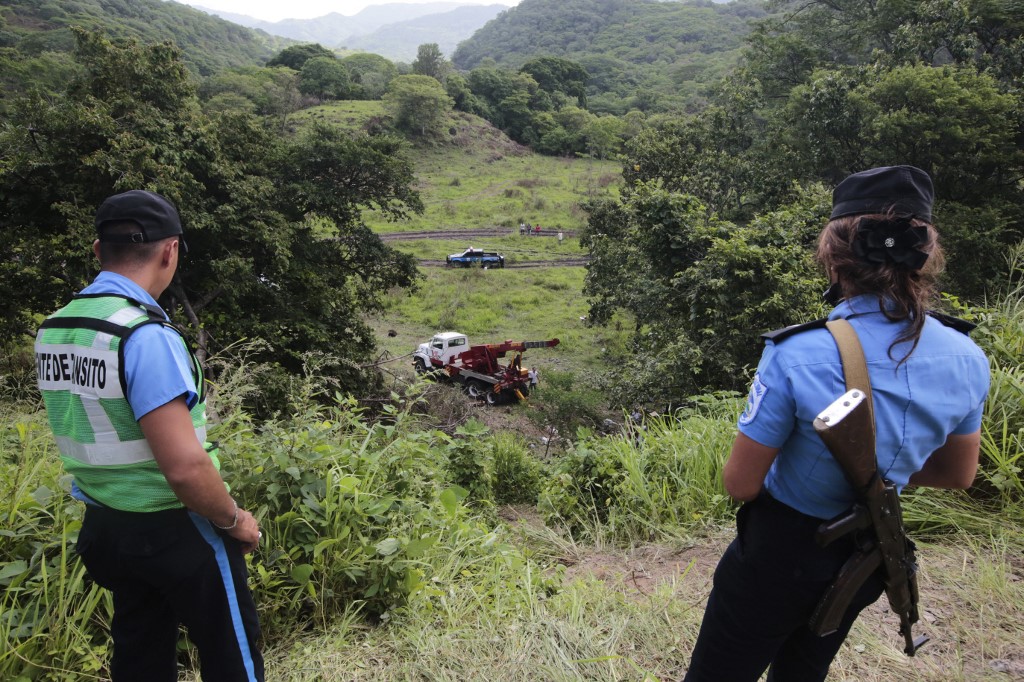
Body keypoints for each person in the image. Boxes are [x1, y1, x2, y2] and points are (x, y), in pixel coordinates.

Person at [683, 166, 990, 681]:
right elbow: (958, 475)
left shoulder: (800, 352)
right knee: (804, 671)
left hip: (779, 553)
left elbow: (740, 483)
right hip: (869, 553)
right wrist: (879, 474)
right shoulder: (967, 356)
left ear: (834, 256)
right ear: (925, 255)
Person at [34, 190, 264, 681]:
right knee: (232, 659)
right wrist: (234, 521)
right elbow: (184, 466)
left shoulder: (57, 328)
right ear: (169, 250)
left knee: (140, 653)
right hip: (175, 530)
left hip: (106, 527)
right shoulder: (143, 335)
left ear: (99, 252)